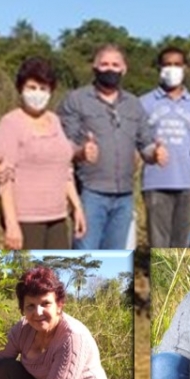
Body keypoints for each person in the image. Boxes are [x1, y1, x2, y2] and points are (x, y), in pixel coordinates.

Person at [58, 44, 167, 249]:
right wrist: (80, 152)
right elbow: (63, 144)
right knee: (85, 258)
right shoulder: (76, 100)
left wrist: (155, 153)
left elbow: (145, 143)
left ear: (124, 69)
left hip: (124, 195)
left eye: (115, 65)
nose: (110, 69)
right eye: (104, 64)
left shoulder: (133, 104)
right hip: (90, 192)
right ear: (94, 67)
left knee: (114, 261)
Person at [0, 57, 86, 249]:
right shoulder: (11, 123)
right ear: (21, 89)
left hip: (57, 216)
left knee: (56, 276)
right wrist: (11, 224)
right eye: (32, 88)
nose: (37, 94)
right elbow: (4, 179)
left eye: (43, 89)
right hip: (26, 218)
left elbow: (65, 169)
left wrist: (76, 206)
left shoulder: (55, 121)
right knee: (29, 278)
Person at [139, 47, 190, 247]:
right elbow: (138, 143)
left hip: (187, 181)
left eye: (177, 65)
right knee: (159, 243)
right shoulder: (145, 103)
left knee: (181, 243)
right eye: (167, 64)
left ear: (185, 68)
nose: (172, 69)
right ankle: (160, 279)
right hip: (156, 181)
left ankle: (178, 279)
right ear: (159, 68)